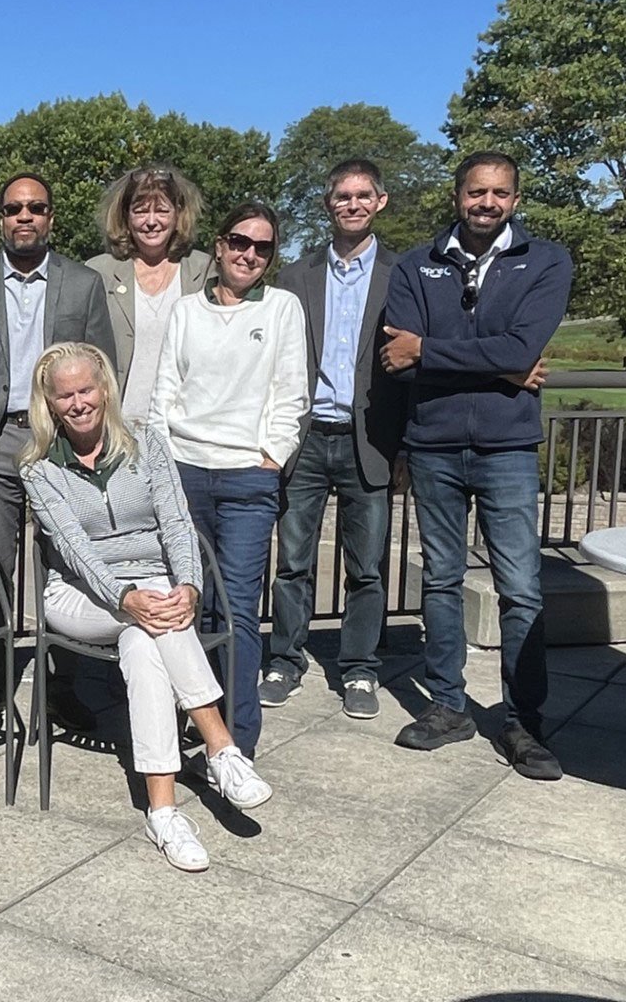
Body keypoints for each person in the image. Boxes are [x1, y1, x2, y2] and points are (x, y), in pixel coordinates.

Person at [21, 342, 272, 872]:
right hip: (80, 597)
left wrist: (189, 586)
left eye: (85, 389)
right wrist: (125, 598)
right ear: (49, 403)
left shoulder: (145, 443)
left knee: (145, 640)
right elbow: (74, 549)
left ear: (104, 387)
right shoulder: (39, 469)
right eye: (63, 395)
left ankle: (163, 812)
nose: (77, 403)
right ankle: (221, 748)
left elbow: (177, 523)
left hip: (153, 586)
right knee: (149, 618)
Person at [379, 151, 571, 780]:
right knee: (439, 580)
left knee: (520, 587)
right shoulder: (416, 265)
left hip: (506, 446)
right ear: (457, 195)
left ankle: (523, 721)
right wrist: (501, 366)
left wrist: (433, 350)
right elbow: (395, 353)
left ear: (515, 199)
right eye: (475, 192)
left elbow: (520, 345)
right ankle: (448, 707)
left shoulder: (545, 261)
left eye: (499, 193)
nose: (486, 203)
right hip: (433, 443)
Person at [147, 202, 308, 758]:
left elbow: (292, 392)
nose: (249, 255)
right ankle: (196, 718)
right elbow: (165, 390)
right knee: (192, 604)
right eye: (240, 242)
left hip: (246, 480)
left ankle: (236, 743)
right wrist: (164, 464)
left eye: (262, 247)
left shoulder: (283, 308)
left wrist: (272, 455)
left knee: (237, 609)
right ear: (218, 245)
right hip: (186, 475)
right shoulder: (188, 311)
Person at [265, 160, 404, 718]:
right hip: (306, 439)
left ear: (380, 201)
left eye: (362, 195)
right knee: (292, 561)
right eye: (342, 196)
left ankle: (360, 669)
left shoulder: (404, 274)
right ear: (328, 204)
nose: (352, 204)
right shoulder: (296, 277)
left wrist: (406, 449)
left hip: (368, 439)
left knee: (366, 567)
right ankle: (285, 660)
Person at [0, 171, 113, 586]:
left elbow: (103, 365)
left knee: (72, 562)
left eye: (36, 208)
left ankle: (63, 651)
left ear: (50, 219)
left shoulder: (83, 283)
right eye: (13, 209)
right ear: (1, 219)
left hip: (62, 438)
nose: (25, 216)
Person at [85, 165, 215, 420]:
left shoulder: (206, 271)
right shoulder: (97, 272)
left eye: (162, 211)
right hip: (116, 425)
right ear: (125, 216)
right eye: (141, 211)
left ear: (178, 214)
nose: (151, 221)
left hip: (184, 430)